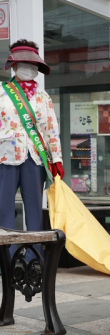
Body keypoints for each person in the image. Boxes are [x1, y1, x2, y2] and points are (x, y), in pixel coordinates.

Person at [0, 40, 63, 241]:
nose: (29, 68)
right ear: (14, 65)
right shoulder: (1, 93)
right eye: (25, 63)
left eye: (33, 64)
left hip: (35, 158)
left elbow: (51, 130)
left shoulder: (43, 97)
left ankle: (34, 259)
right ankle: (6, 261)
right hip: (5, 157)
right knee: (4, 210)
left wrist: (57, 159)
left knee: (35, 210)